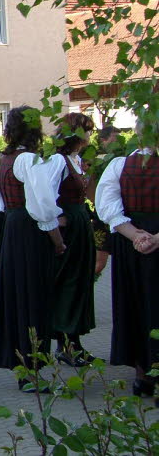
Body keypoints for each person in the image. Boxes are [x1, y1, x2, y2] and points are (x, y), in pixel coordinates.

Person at [0, 106, 67, 392]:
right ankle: (29, 371)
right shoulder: (29, 160)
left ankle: (24, 367)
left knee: (18, 296)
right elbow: (43, 208)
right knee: (32, 298)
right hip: (29, 231)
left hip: (13, 228)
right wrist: (58, 240)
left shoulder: (7, 158)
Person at [95, 119, 159, 403]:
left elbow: (107, 208)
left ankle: (142, 376)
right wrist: (155, 238)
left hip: (130, 245)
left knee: (136, 305)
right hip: (151, 241)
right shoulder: (119, 164)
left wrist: (135, 236)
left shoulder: (119, 165)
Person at [50, 113, 99, 366]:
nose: (90, 137)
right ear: (76, 134)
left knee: (79, 283)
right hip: (70, 228)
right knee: (69, 284)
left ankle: (75, 343)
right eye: (87, 131)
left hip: (81, 225)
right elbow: (46, 193)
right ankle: (65, 345)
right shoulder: (58, 162)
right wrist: (58, 217)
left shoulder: (77, 160)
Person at [89, 125, 121, 275]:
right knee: (99, 262)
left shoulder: (124, 159)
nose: (118, 142)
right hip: (102, 218)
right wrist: (101, 204)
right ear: (103, 140)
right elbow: (90, 188)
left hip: (122, 216)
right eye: (115, 139)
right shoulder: (96, 162)